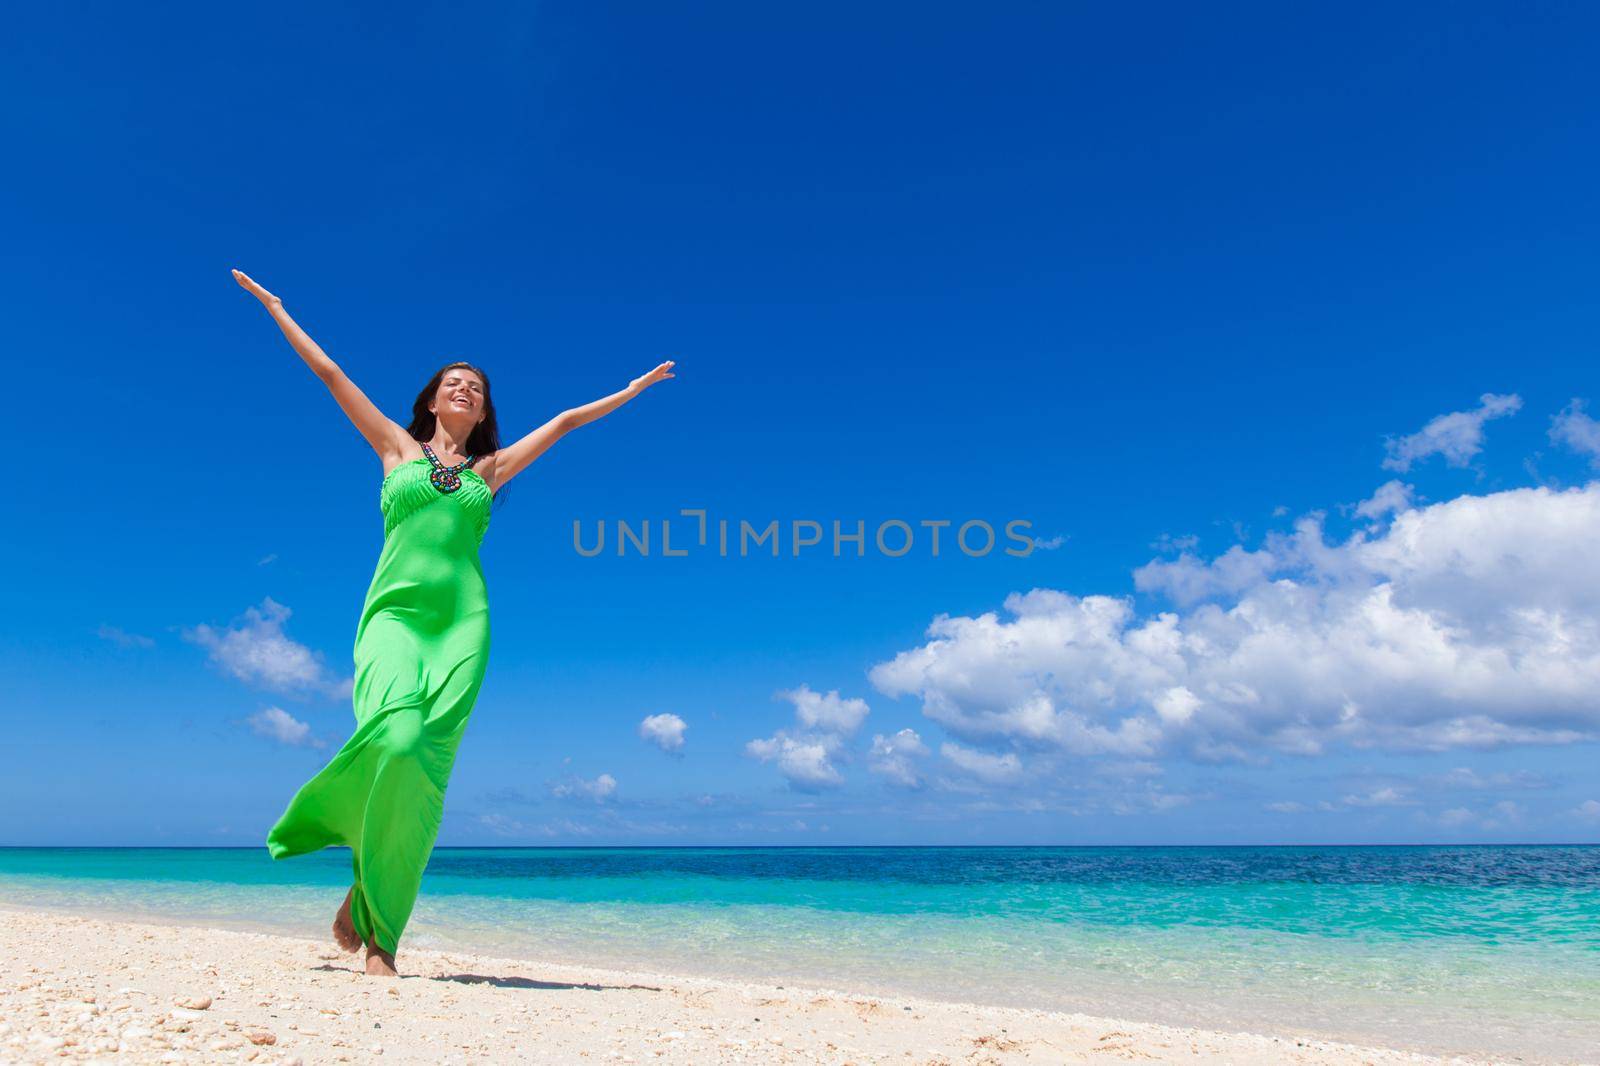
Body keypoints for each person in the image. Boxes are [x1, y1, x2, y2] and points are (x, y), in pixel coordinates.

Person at [232, 268, 674, 976]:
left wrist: (630, 391)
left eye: (476, 386)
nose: (464, 389)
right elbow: (331, 372)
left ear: (483, 408)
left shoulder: (489, 472)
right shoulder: (394, 451)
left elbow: (562, 422)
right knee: (395, 735)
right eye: (451, 383)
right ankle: (356, 855)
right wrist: (278, 309)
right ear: (432, 400)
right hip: (394, 619)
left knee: (422, 771)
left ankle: (382, 938)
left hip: (463, 626)